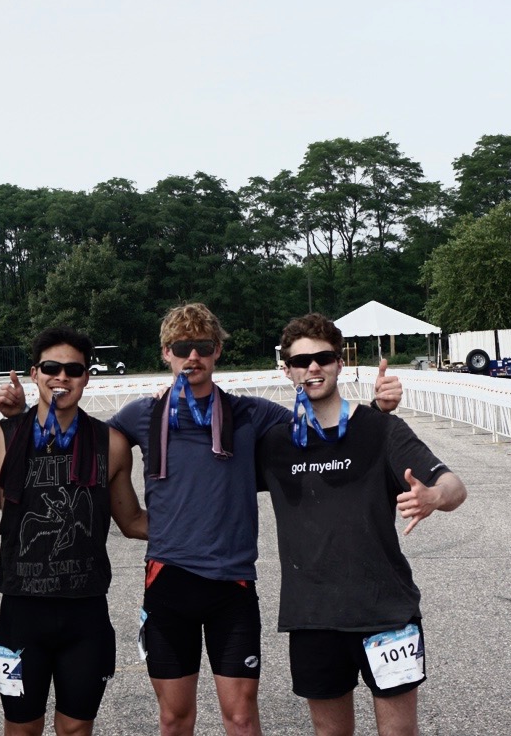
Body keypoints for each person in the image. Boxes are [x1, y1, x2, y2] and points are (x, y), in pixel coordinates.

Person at [105, 303, 401, 736]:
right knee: (173, 718)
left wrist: (376, 407)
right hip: (168, 582)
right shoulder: (143, 414)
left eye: (202, 347)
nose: (193, 357)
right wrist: (130, 517)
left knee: (241, 717)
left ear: (217, 351)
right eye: (182, 347)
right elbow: (98, 456)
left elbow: (322, 435)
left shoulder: (250, 412)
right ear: (166, 353)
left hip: (232, 586)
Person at [258, 314, 467, 736]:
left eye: (323, 357)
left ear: (340, 364)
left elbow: (454, 485)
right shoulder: (275, 443)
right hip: (313, 617)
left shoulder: (380, 428)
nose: (312, 367)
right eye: (301, 361)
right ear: (287, 370)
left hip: (386, 612)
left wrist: (432, 498)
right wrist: (168, 398)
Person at [0, 327, 148, 736]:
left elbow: (132, 522)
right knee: (22, 729)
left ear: (87, 376)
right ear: (34, 373)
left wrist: (203, 523)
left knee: (75, 729)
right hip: (20, 611)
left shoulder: (111, 442)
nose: (62, 377)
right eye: (52, 368)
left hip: (85, 612)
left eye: (74, 369)